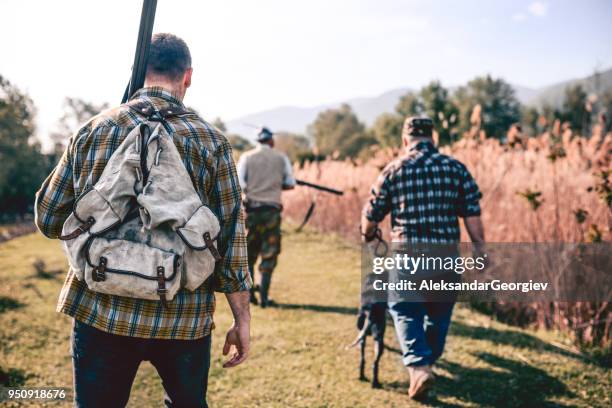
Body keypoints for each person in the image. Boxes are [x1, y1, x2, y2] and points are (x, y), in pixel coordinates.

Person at [35, 33, 252, 408]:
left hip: (100, 311)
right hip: (183, 319)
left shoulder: (93, 131)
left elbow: (49, 219)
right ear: (188, 77)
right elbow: (231, 242)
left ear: (137, 72)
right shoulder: (212, 143)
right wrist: (241, 319)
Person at [361, 117, 485, 399]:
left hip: (408, 255)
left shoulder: (393, 170)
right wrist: (480, 248)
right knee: (439, 314)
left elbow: (371, 215)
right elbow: (472, 213)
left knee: (405, 309)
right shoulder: (456, 168)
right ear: (433, 138)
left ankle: (419, 368)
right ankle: (427, 360)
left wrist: (368, 235)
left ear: (405, 141)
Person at [237, 127, 296, 307]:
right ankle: (264, 296)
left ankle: (251, 296)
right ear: (271, 141)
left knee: (250, 254)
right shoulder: (281, 158)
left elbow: (240, 184)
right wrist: (274, 185)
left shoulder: (246, 158)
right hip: (272, 212)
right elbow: (290, 184)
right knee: (269, 253)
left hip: (252, 212)